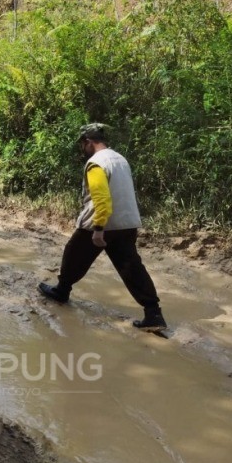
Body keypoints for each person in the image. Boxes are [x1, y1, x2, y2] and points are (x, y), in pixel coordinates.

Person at [37, 123, 167, 331]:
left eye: (82, 145)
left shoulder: (96, 163)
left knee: (73, 254)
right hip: (127, 224)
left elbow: (102, 198)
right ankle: (153, 313)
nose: (82, 150)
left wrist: (99, 228)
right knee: (132, 268)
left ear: (88, 142)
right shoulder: (120, 159)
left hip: (100, 224)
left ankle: (62, 291)